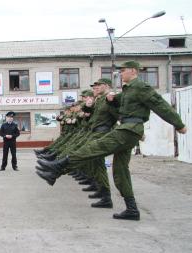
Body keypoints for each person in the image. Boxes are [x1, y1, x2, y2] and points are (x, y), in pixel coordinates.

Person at [36, 61, 187, 221]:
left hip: (128, 130)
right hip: (129, 130)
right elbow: (116, 105)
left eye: (123, 71)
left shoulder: (141, 87)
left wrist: (179, 124)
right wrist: (110, 98)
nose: (120, 74)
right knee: (120, 170)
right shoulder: (128, 90)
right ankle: (132, 209)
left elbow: (160, 105)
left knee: (94, 148)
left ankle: (58, 168)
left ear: (133, 71)